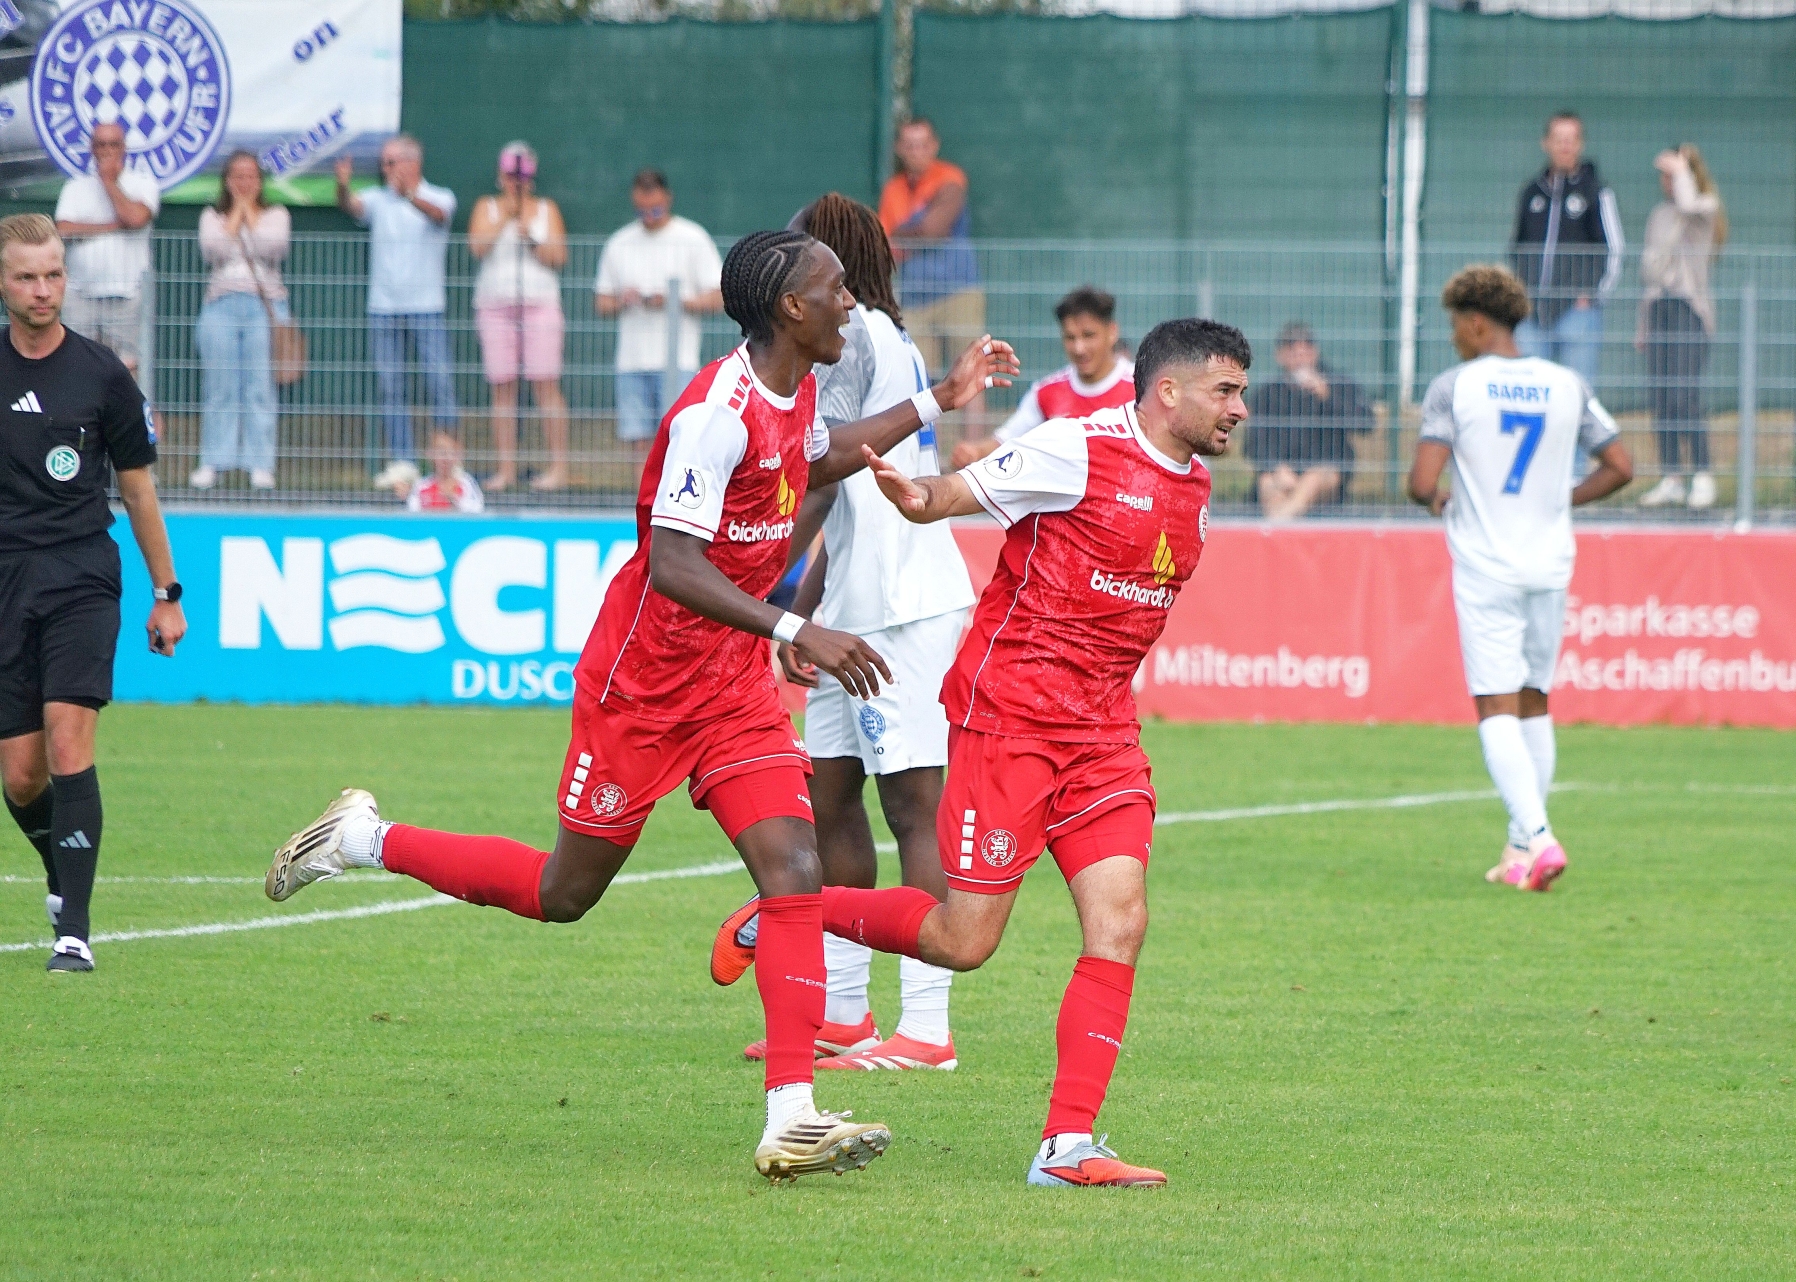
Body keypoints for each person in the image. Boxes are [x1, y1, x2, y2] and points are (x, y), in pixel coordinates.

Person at [263, 229, 1017, 1182]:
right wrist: (797, 627)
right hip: (644, 690)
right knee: (563, 894)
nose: (849, 303)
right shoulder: (715, 415)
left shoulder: (794, 392)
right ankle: (365, 839)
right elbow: (671, 564)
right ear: (790, 309)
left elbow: (819, 456)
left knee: (792, 869)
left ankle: (791, 1115)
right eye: (835, 290)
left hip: (731, 686)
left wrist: (937, 398)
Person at [712, 318, 1252, 1189]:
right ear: (1169, 391)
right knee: (963, 941)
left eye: (1240, 392)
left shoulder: (1193, 483)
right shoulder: (1077, 448)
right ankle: (788, 913)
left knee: (1121, 921)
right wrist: (914, 495)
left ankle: (1066, 1147)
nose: (1239, 408)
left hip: (1104, 735)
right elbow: (947, 497)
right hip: (1013, 724)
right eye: (1225, 390)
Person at [750, 193, 977, 1073]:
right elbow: (842, 498)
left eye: (808, 255)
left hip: (903, 605)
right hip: (856, 603)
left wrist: (759, 585)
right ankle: (844, 1011)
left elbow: (818, 469)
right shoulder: (872, 338)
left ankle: (926, 1026)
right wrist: (803, 611)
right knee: (832, 798)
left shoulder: (864, 338)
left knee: (912, 807)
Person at [1405, 265, 1632, 893]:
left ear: (1478, 324)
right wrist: (1562, 500)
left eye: (1456, 325)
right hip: (1550, 565)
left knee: (1495, 705)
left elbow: (1421, 482)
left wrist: (1435, 499)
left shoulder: (1455, 386)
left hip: (1487, 567)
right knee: (1534, 700)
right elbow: (1621, 465)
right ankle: (1518, 849)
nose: (1453, 336)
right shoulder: (1566, 383)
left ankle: (1539, 835)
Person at [0, 214, 186, 973]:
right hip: (6, 581)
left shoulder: (103, 374)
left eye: (53, 275)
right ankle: (60, 869)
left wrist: (167, 592)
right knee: (21, 775)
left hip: (81, 576)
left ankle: (73, 930)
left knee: (69, 737)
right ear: (3, 283)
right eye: (26, 277)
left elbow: (138, 492)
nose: (42, 290)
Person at [336, 136, 459, 492]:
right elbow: (352, 206)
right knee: (391, 387)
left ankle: (449, 462)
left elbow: (439, 215)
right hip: (383, 308)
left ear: (412, 163)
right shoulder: (378, 199)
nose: (386, 169)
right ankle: (403, 462)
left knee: (440, 383)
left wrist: (409, 197)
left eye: (391, 162)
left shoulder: (440, 195)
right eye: (384, 163)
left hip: (427, 307)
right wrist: (342, 185)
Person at [594, 170, 724, 492]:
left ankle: (673, 504)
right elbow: (602, 301)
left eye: (655, 208)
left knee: (678, 438)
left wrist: (675, 301)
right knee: (639, 441)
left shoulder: (693, 238)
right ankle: (644, 505)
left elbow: (718, 296)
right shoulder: (620, 242)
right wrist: (625, 300)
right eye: (642, 210)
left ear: (667, 199)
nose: (649, 216)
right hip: (632, 360)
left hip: (679, 361)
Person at [469, 142, 570, 493]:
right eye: (511, 176)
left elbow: (558, 256)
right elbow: (478, 247)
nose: (516, 183)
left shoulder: (545, 209)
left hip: (539, 303)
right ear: (500, 176)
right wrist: (507, 217)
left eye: (522, 176)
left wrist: (529, 234)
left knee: (545, 383)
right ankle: (506, 470)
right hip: (495, 304)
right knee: (503, 386)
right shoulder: (486, 207)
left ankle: (559, 468)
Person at [878, 119, 984, 442]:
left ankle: (973, 451)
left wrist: (904, 234)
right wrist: (911, 235)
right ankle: (937, 454)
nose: (917, 152)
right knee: (922, 381)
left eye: (923, 144)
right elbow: (887, 243)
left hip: (958, 291)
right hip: (915, 298)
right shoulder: (893, 190)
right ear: (899, 149)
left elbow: (934, 228)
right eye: (910, 145)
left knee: (971, 372)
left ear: (934, 146)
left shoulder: (950, 178)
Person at [189, 152, 289, 493]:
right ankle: (215, 461)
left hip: (265, 306)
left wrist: (250, 214)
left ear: (260, 181)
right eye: (237, 176)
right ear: (227, 181)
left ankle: (260, 464)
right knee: (221, 387)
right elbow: (213, 250)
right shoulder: (212, 216)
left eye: (250, 176)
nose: (244, 183)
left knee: (260, 386)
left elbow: (272, 248)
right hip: (221, 305)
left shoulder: (277, 214)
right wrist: (237, 212)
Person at [951, 285, 1133, 468]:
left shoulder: (1139, 386)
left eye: (1089, 336)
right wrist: (976, 452)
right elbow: (1006, 440)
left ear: (1112, 332)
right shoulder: (1047, 392)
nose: (1079, 348)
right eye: (1070, 338)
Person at [1637, 144, 1727, 511]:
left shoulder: (1704, 208)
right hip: (1659, 309)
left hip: (1690, 311)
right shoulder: (1658, 215)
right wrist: (1643, 325)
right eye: (1665, 174)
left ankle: (1702, 474)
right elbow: (1650, 272)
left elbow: (1689, 204)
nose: (1668, 181)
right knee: (1662, 397)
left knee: (1684, 394)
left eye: (1673, 173)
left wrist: (1682, 171)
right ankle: (1671, 476)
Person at [1508, 112, 1623, 391]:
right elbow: (1518, 246)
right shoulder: (1531, 192)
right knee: (1531, 391)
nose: (1564, 146)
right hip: (1532, 315)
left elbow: (1614, 249)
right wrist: (1520, 293)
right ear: (1546, 143)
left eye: (1571, 139)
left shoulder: (1596, 192)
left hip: (1577, 313)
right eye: (1558, 139)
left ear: (1580, 144)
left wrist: (1592, 296)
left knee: (1576, 393)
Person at [52, 122, 160, 382]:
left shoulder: (143, 183)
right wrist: (113, 226)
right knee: (77, 369)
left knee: (127, 373)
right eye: (101, 144)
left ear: (123, 148)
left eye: (113, 144)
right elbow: (63, 229)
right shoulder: (75, 187)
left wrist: (109, 182)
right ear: (92, 148)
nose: (107, 150)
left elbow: (135, 218)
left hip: (128, 294)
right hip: (81, 294)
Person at [1242, 322, 1375, 521]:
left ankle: (1277, 528)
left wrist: (1329, 396)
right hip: (1281, 471)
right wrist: (1276, 467)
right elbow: (1253, 444)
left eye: (1306, 351)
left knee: (1311, 481)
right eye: (1292, 352)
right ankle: (1281, 529)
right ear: (1280, 356)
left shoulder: (1338, 384)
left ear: (1315, 353)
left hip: (1326, 472)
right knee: (1268, 484)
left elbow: (1366, 424)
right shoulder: (1268, 393)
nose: (1300, 358)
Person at [395, 430, 484, 514]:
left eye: (451, 452)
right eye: (441, 452)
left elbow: (477, 510)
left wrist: (454, 500)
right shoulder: (422, 486)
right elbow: (413, 512)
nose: (446, 458)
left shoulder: (467, 484)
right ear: (430, 454)